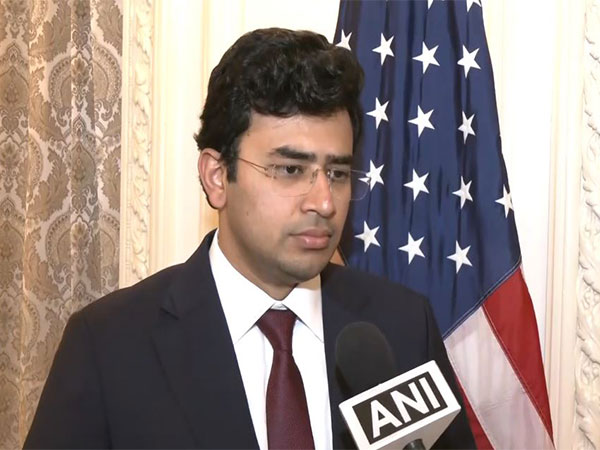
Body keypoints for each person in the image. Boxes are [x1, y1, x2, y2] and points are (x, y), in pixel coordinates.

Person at [24, 28, 475, 449]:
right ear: (217, 176)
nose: (324, 202)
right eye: (291, 169)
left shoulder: (400, 327)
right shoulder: (110, 346)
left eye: (337, 173)